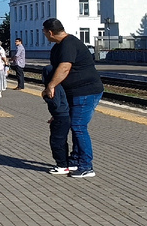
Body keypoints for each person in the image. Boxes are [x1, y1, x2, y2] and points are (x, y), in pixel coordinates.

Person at [42, 17, 103, 178]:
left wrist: (51, 86)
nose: (45, 36)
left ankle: (86, 166)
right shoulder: (58, 47)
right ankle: (75, 161)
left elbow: (64, 68)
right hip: (74, 93)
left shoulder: (69, 43)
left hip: (86, 92)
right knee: (74, 125)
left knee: (78, 127)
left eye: (44, 33)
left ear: (50, 32)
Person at [40, 64, 74, 173]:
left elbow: (56, 104)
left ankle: (62, 165)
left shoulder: (53, 87)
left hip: (61, 118)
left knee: (56, 142)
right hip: (61, 117)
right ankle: (65, 163)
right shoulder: (58, 85)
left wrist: (44, 96)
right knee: (62, 141)